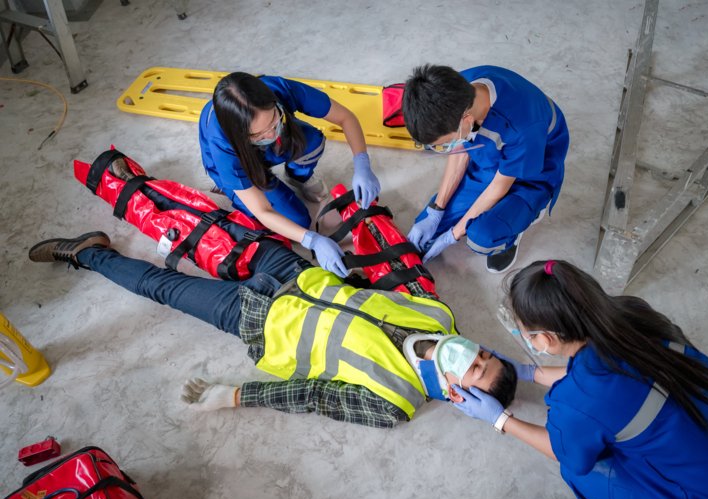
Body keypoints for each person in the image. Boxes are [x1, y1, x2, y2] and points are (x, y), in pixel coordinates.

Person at [28, 232, 517, 429]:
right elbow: (378, 285)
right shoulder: (439, 316)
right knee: (216, 229)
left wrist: (235, 396)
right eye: (484, 353)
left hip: (257, 318)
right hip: (296, 273)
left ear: (459, 396)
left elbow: (312, 395)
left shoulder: (396, 401)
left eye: (474, 369)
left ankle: (86, 253)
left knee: (163, 287)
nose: (469, 354)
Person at [452, 259, 708, 499]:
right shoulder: (633, 314)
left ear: (547, 338)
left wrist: (500, 420)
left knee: (581, 473)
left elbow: (566, 451)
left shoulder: (578, 402)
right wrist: (531, 373)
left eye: (528, 333)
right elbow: (611, 370)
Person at [199, 72, 383, 277]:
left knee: (311, 141)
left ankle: (297, 177)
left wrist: (362, 164)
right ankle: (250, 183)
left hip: (256, 149)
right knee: (297, 222)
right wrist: (312, 240)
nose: (270, 135)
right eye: (258, 134)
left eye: (273, 121)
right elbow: (262, 211)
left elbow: (345, 117)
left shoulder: (278, 88)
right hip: (241, 164)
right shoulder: (222, 144)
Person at [403, 64, 569, 273]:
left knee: (482, 236)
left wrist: (452, 236)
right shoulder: (454, 90)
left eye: (446, 141)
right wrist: (436, 209)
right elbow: (461, 148)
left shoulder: (522, 127)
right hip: (490, 160)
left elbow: (499, 187)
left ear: (466, 120)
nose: (446, 147)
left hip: (532, 173)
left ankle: (521, 223)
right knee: (428, 229)